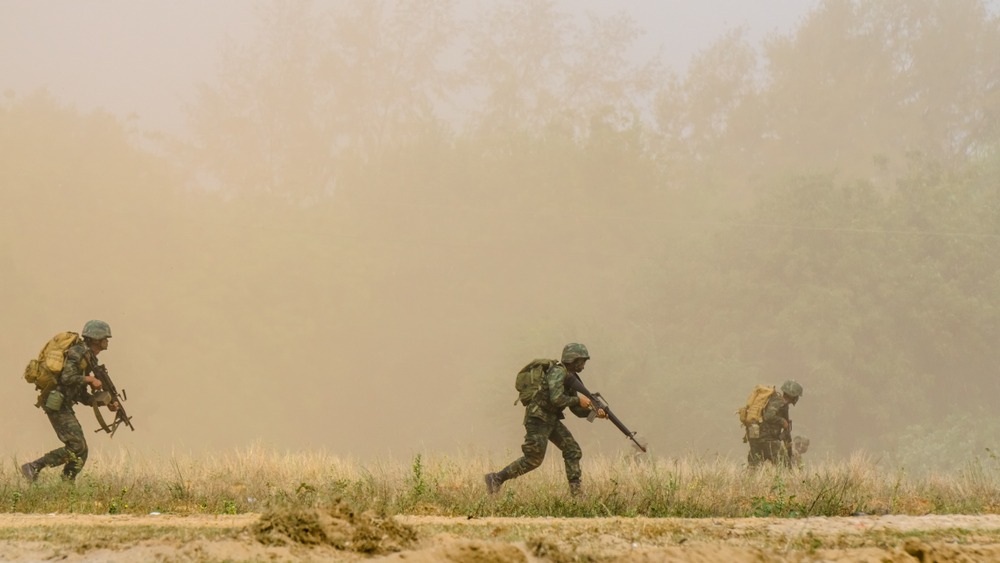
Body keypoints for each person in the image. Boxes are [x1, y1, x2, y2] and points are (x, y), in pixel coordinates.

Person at [484, 343, 606, 496]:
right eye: (582, 361)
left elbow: (575, 410)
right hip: (538, 419)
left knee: (572, 450)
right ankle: (496, 478)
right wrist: (578, 400)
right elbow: (557, 399)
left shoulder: (571, 377)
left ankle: (577, 494)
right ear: (574, 359)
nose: (584, 365)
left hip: (550, 419)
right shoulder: (558, 372)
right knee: (533, 459)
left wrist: (593, 412)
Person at [21, 320, 118, 482]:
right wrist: (90, 379)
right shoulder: (77, 353)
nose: (107, 341)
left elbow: (81, 394)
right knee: (77, 446)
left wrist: (103, 401)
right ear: (96, 339)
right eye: (105, 338)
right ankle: (33, 466)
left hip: (64, 404)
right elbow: (67, 378)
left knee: (81, 450)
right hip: (57, 404)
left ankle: (66, 483)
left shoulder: (88, 358)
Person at [747, 380, 802, 468]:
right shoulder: (779, 402)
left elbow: (786, 434)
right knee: (785, 467)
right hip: (768, 441)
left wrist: (789, 451)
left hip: (756, 438)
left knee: (754, 467)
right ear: (793, 395)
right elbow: (768, 416)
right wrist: (782, 421)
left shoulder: (775, 402)